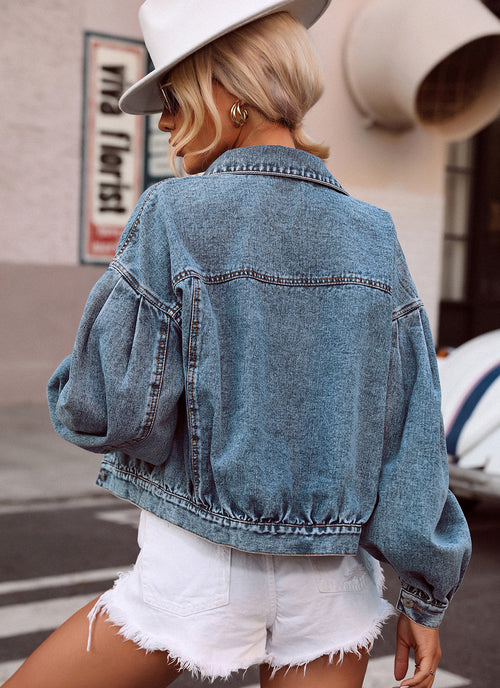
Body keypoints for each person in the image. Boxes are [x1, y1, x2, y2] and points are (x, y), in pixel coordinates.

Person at [3, 1, 471, 687]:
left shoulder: (174, 213)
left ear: (227, 93)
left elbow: (105, 410)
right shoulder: (374, 234)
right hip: (329, 584)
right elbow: (409, 437)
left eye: (171, 96)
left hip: (200, 566)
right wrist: (426, 598)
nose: (163, 122)